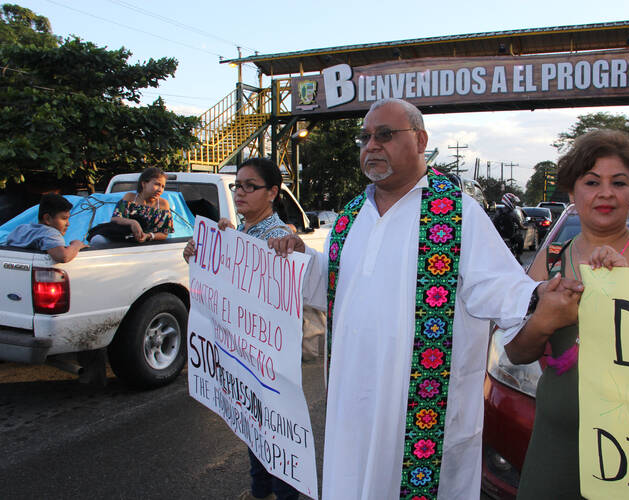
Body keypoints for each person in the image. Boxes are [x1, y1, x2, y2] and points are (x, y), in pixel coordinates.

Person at [267, 98, 581, 499]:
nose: (371, 145)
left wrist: (537, 295)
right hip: (354, 407)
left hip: (421, 418)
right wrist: (296, 259)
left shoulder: (455, 214)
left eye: (385, 135)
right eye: (365, 137)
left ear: (420, 140)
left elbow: (500, 286)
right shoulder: (350, 216)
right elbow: (332, 284)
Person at [507, 129, 629, 499]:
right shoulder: (551, 260)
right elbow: (516, 353)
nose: (606, 193)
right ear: (572, 191)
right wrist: (545, 321)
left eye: (619, 182)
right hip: (557, 444)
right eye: (592, 181)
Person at [182, 157, 298, 500]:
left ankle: (281, 494)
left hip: (269, 358)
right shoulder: (242, 231)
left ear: (273, 192)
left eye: (251, 186)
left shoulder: (277, 237)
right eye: (238, 185)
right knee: (253, 425)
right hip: (244, 351)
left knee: (275, 433)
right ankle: (260, 491)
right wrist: (201, 253)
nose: (240, 193)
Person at [90, 167, 173, 246]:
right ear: (144, 183)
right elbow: (115, 218)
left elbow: (164, 233)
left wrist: (148, 236)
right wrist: (133, 222)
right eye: (157, 184)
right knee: (97, 240)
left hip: (149, 246)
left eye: (163, 186)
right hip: (121, 239)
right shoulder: (130, 198)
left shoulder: (163, 204)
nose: (160, 189)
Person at [6, 193, 87, 263]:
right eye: (64, 218)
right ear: (47, 219)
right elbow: (63, 256)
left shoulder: (21, 229)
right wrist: (76, 245)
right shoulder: (51, 233)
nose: (68, 224)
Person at [492, 192, 524, 258]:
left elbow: (493, 223)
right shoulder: (512, 213)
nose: (514, 204)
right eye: (513, 202)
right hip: (509, 236)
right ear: (508, 201)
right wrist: (523, 227)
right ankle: (518, 256)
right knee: (521, 240)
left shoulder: (498, 212)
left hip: (498, 237)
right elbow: (519, 224)